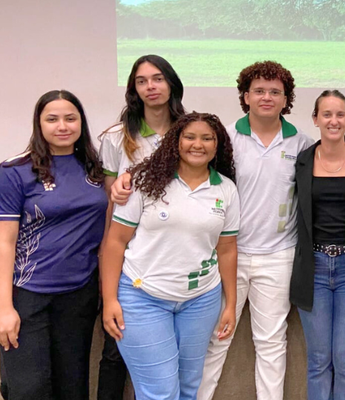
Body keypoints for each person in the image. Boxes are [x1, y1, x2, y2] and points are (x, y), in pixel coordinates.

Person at [197, 60, 315, 400]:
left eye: (275, 92)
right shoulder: (224, 139)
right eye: (259, 90)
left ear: (286, 99)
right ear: (245, 96)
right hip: (225, 255)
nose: (267, 97)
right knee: (216, 339)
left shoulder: (302, 144)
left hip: (279, 257)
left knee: (271, 342)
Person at [101, 112, 239, 399]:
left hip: (201, 301)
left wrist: (230, 305)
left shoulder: (225, 189)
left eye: (207, 138)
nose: (197, 144)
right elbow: (115, 242)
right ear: (175, 142)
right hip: (142, 298)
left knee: (188, 389)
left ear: (218, 145)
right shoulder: (142, 181)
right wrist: (110, 299)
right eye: (189, 137)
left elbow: (226, 249)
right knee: (160, 392)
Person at [0, 90, 107, 399]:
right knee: (29, 389)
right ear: (39, 124)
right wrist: (5, 307)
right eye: (52, 119)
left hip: (79, 294)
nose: (62, 126)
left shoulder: (95, 170)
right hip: (28, 296)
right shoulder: (14, 172)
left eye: (70, 118)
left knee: (72, 387)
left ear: (81, 123)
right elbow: (5, 242)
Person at [99, 53, 185, 400]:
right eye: (142, 80)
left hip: (177, 256)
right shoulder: (117, 138)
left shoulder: (191, 132)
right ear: (134, 89)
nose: (151, 86)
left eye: (158, 78)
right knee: (114, 347)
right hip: (130, 257)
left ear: (171, 83)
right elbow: (110, 201)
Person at [291, 90, 345, 400]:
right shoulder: (303, 159)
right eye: (326, 114)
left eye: (340, 114)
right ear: (315, 119)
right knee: (317, 361)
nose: (334, 120)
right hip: (312, 268)